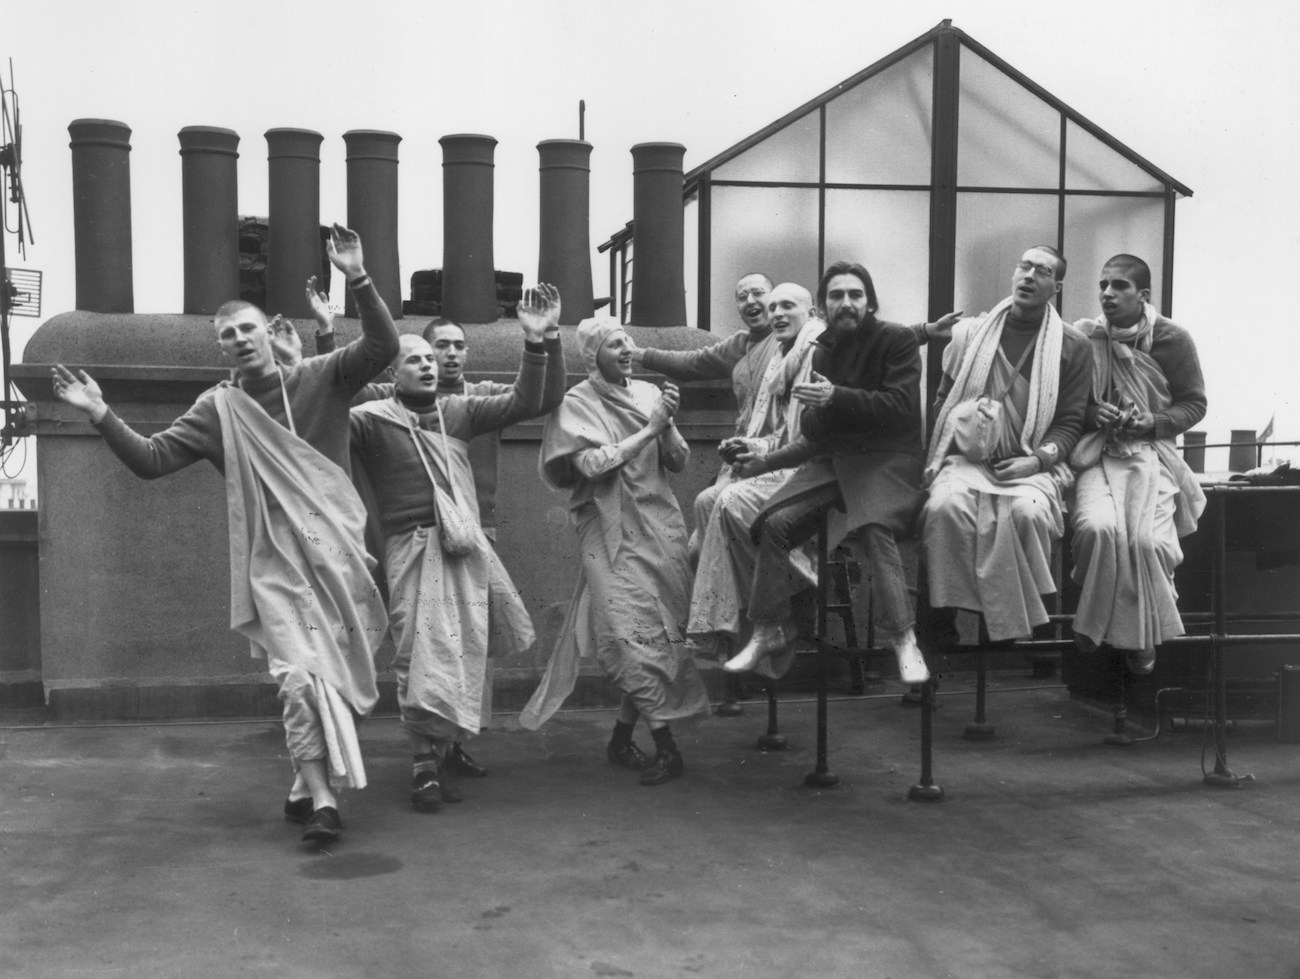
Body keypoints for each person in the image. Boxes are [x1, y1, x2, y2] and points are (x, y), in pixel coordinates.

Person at [50, 225, 399, 846]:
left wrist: (359, 276)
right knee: (298, 677)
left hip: (341, 558)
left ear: (270, 332)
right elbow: (153, 459)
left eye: (248, 328)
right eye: (227, 335)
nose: (239, 339)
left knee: (338, 676)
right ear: (221, 350)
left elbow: (382, 344)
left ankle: (301, 785)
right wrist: (102, 413)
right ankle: (322, 799)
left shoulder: (322, 377)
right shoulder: (218, 409)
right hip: (277, 570)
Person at [320, 285, 568, 777]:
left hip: (467, 544)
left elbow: (527, 400)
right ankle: (421, 761)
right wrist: (326, 334)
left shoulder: (463, 409)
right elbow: (329, 401)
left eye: (440, 356)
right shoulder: (371, 416)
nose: (435, 362)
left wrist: (538, 340)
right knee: (418, 651)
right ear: (393, 373)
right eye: (421, 358)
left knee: (464, 650)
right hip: (408, 548)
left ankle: (448, 748)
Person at [633, 273, 960, 553]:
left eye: (759, 293)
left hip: (800, 459)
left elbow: (864, 337)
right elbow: (690, 362)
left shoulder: (810, 338)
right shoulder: (740, 346)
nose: (751, 301)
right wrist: (640, 354)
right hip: (753, 455)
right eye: (742, 296)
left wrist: (925, 330)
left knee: (722, 515)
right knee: (698, 548)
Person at [522, 317, 710, 786]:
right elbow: (590, 463)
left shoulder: (649, 394)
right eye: (614, 343)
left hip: (659, 524)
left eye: (628, 340)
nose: (627, 348)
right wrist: (650, 429)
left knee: (659, 636)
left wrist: (667, 425)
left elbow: (680, 461)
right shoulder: (575, 403)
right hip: (605, 530)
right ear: (592, 356)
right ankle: (667, 747)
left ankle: (622, 738)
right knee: (628, 635)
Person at [722, 262, 930, 685]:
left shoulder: (897, 339)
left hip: (888, 459)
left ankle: (903, 639)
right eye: (836, 296)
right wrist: (815, 414)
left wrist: (835, 397)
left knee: (874, 528)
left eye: (855, 295)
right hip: (836, 460)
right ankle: (768, 629)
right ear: (823, 306)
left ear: (870, 302)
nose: (847, 303)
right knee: (773, 523)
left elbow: (901, 408)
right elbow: (816, 433)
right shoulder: (822, 350)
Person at [920, 245, 1092, 644]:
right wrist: (968, 427)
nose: (1030, 276)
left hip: (1032, 463)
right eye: (1024, 266)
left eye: (1043, 272)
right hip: (968, 460)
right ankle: (943, 626)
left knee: (1028, 514)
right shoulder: (971, 334)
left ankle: (1021, 634)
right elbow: (943, 401)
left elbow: (1069, 422)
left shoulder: (1072, 345)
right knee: (943, 508)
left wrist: (1035, 462)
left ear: (1057, 287)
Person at [1069, 254, 1206, 673]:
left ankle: (1141, 635)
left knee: (1150, 543)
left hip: (1153, 457)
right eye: (1103, 284)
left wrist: (1155, 422)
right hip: (1099, 456)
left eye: (1119, 286)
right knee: (1098, 529)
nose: (1107, 293)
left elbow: (1195, 404)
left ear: (1143, 295)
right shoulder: (1085, 337)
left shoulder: (1172, 339)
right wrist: (1095, 414)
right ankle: (1101, 623)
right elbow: (1070, 404)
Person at [687, 283, 825, 671]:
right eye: (774, 306)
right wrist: (751, 448)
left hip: (817, 475)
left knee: (727, 502)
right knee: (706, 502)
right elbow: (780, 434)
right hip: (782, 464)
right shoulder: (783, 354)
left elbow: (809, 441)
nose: (777, 312)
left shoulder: (817, 352)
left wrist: (761, 454)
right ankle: (750, 634)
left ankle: (754, 627)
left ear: (811, 311)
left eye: (788, 306)